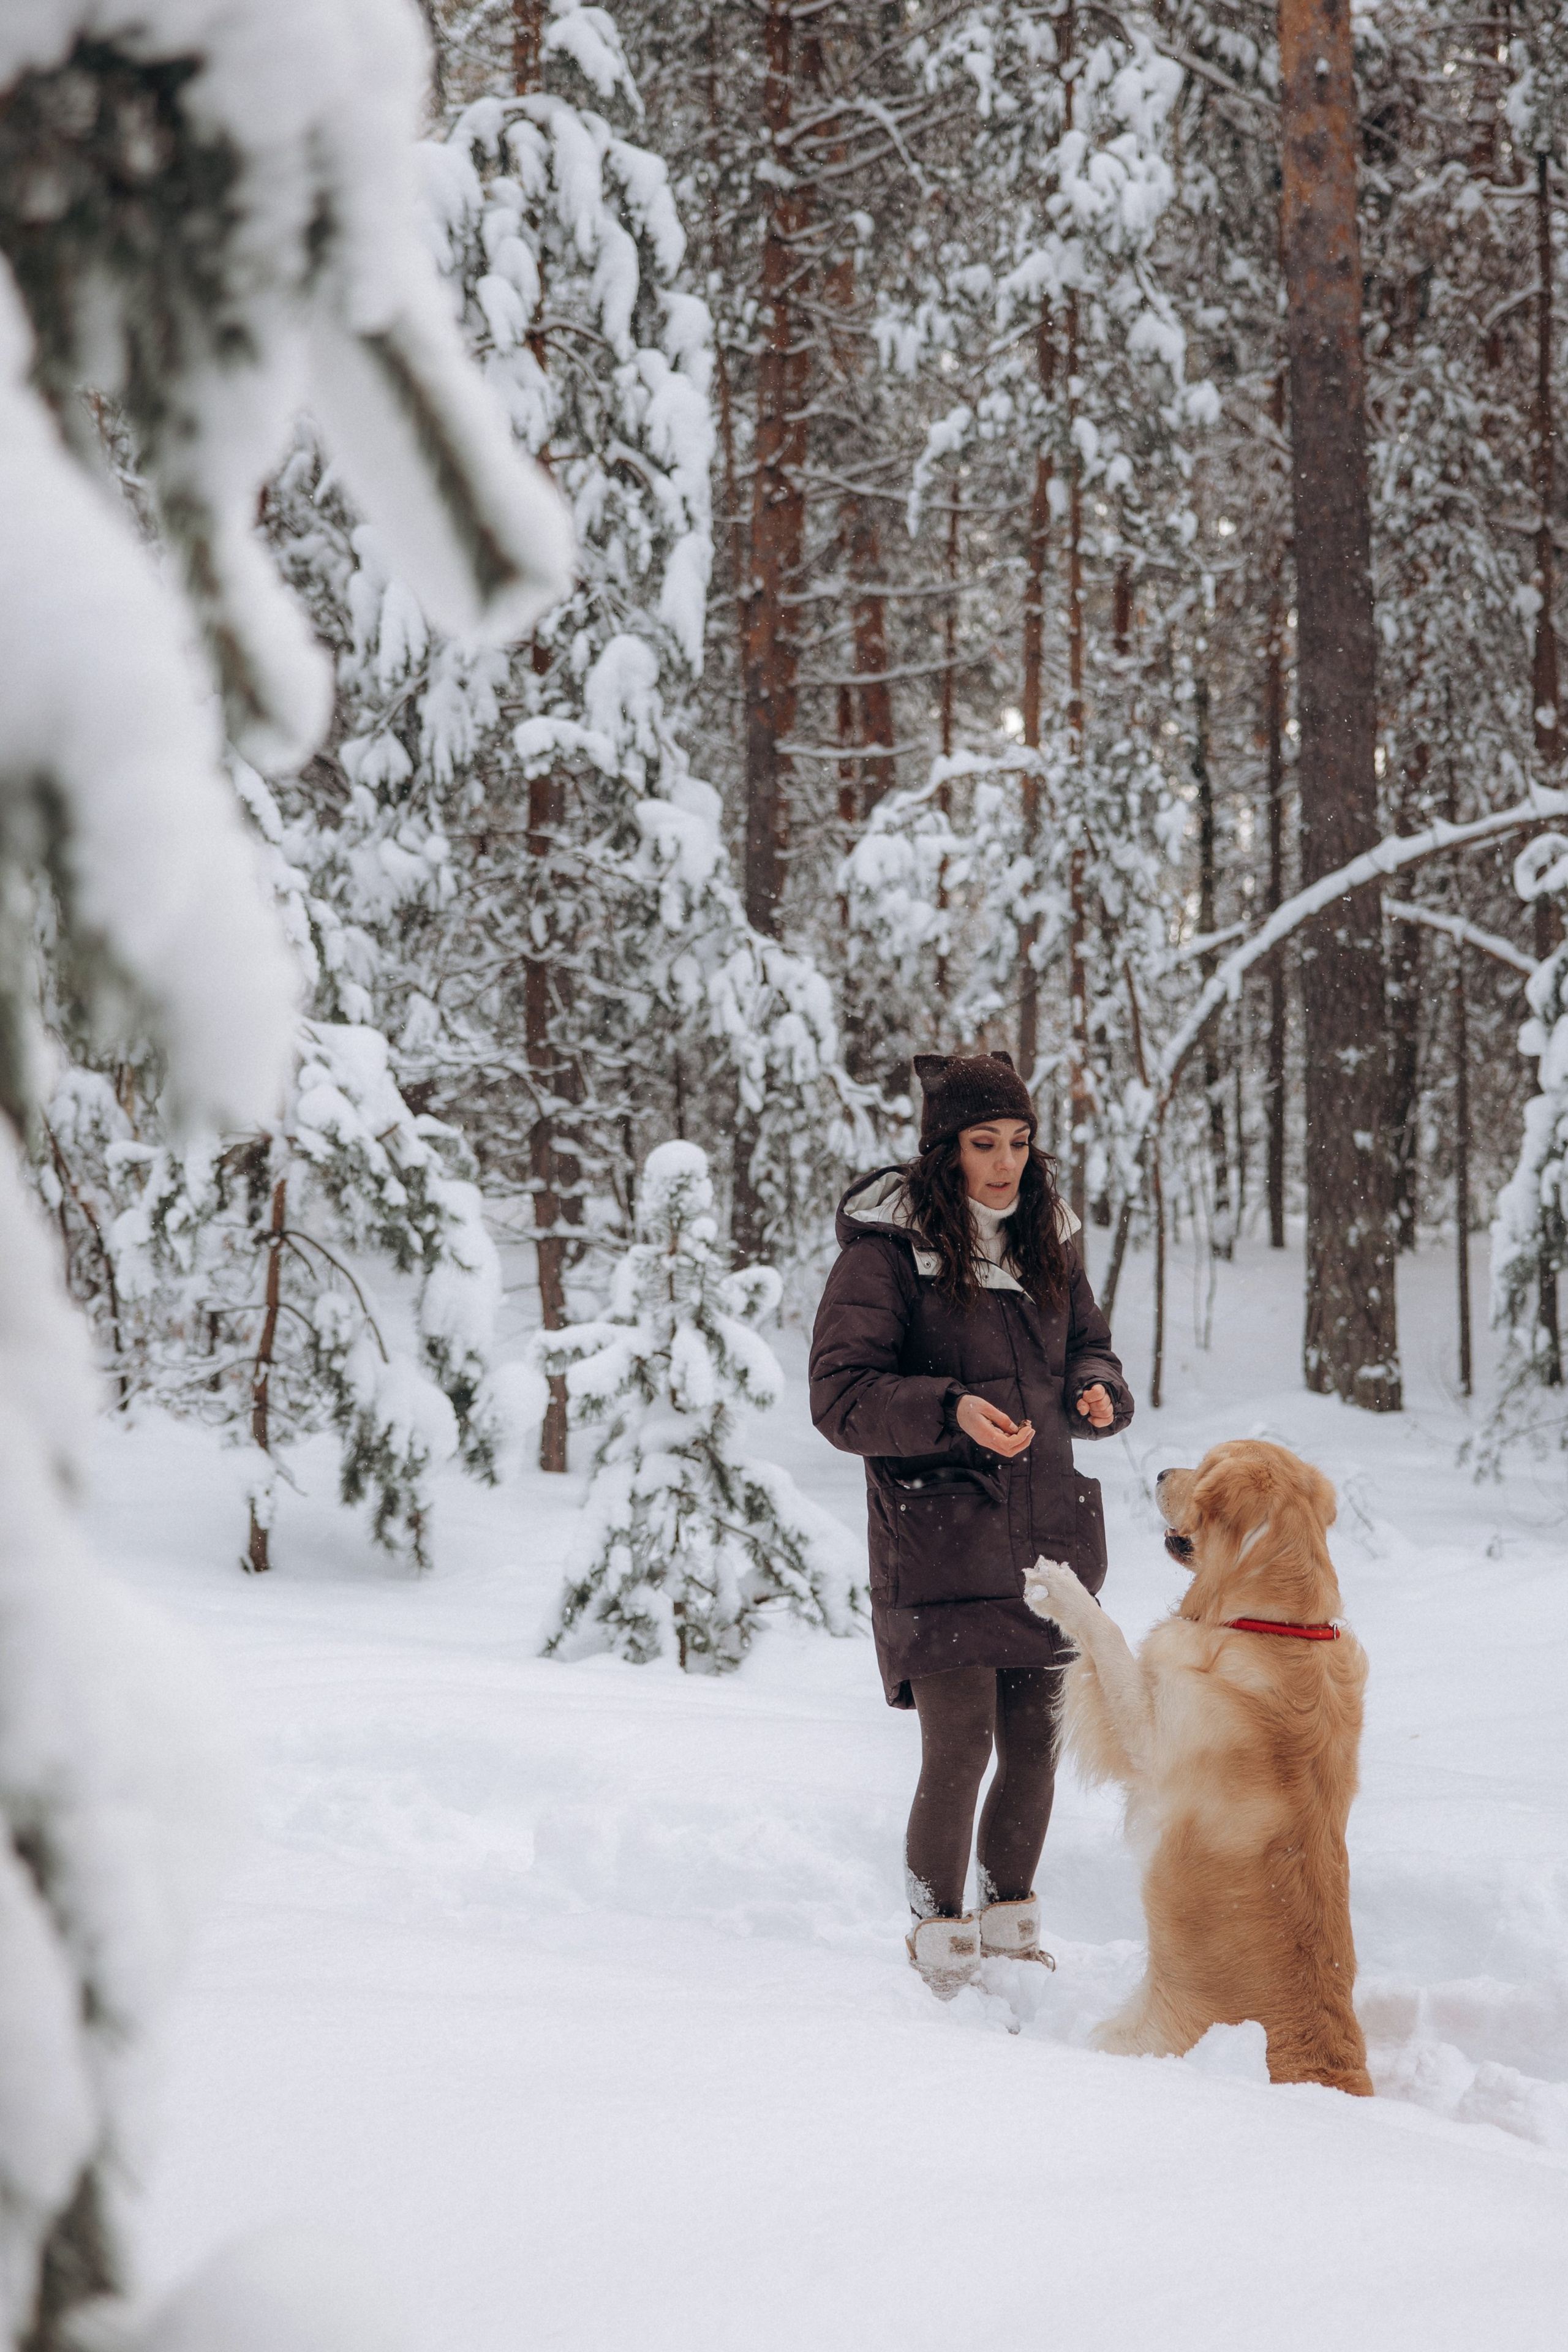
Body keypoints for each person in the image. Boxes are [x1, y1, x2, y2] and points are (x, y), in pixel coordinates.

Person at [809, 1050, 1133, 1997]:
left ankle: (1012, 1933)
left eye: (1020, 1143)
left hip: (1045, 1540)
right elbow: (840, 1397)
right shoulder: (885, 1252)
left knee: (1037, 1743)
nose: (1005, 1164)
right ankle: (938, 1945)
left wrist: (1096, 1392)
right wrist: (950, 1407)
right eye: (984, 1144)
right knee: (961, 1744)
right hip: (938, 1539)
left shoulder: (1048, 1241)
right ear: (942, 1151)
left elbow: (1090, 1349)